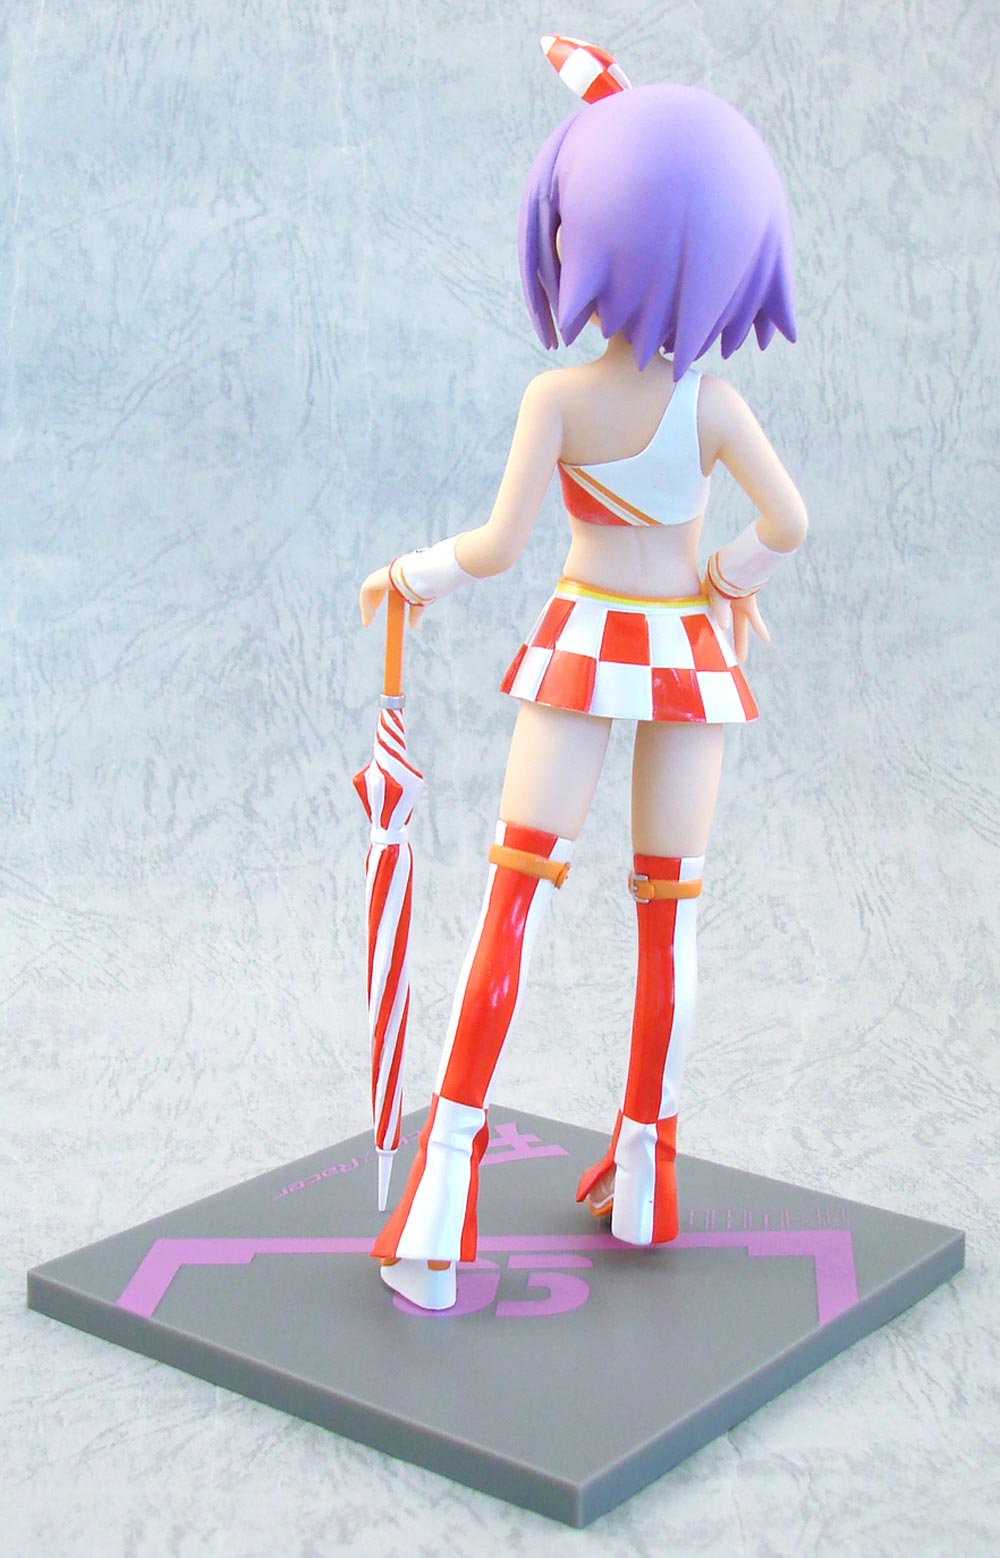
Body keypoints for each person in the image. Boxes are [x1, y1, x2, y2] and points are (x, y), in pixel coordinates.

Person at [359, 43, 808, 1311]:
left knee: (516, 899)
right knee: (669, 913)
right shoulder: (713, 408)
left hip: (583, 647)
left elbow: (498, 549)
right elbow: (789, 524)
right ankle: (648, 1168)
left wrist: (406, 576)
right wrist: (726, 576)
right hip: (688, 658)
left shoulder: (557, 398)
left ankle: (441, 1197)